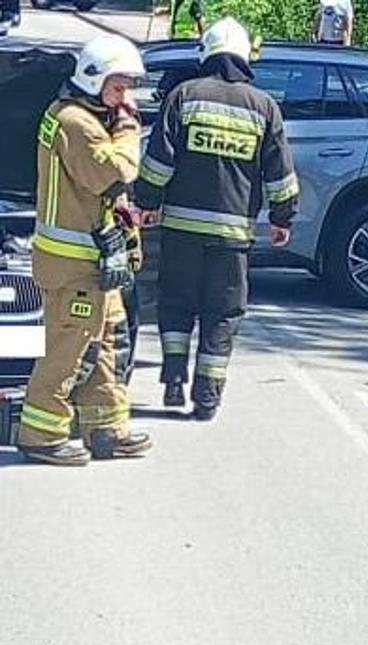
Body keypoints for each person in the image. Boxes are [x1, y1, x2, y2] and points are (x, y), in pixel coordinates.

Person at [133, 17, 297, 422]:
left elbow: (157, 162)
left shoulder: (184, 95)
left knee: (175, 303)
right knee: (222, 314)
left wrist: (147, 201)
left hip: (181, 232)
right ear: (244, 57)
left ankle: (173, 377)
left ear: (206, 53)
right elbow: (280, 174)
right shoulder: (264, 108)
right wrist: (282, 217)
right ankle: (206, 398)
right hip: (232, 238)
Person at [16, 35, 153, 466]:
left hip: (91, 262)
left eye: (129, 87)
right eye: (118, 87)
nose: (125, 97)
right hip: (71, 263)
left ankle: (107, 428)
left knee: (108, 340)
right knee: (69, 348)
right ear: (93, 80)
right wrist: (131, 128)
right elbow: (114, 174)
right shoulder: (76, 122)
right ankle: (41, 433)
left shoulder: (86, 116)